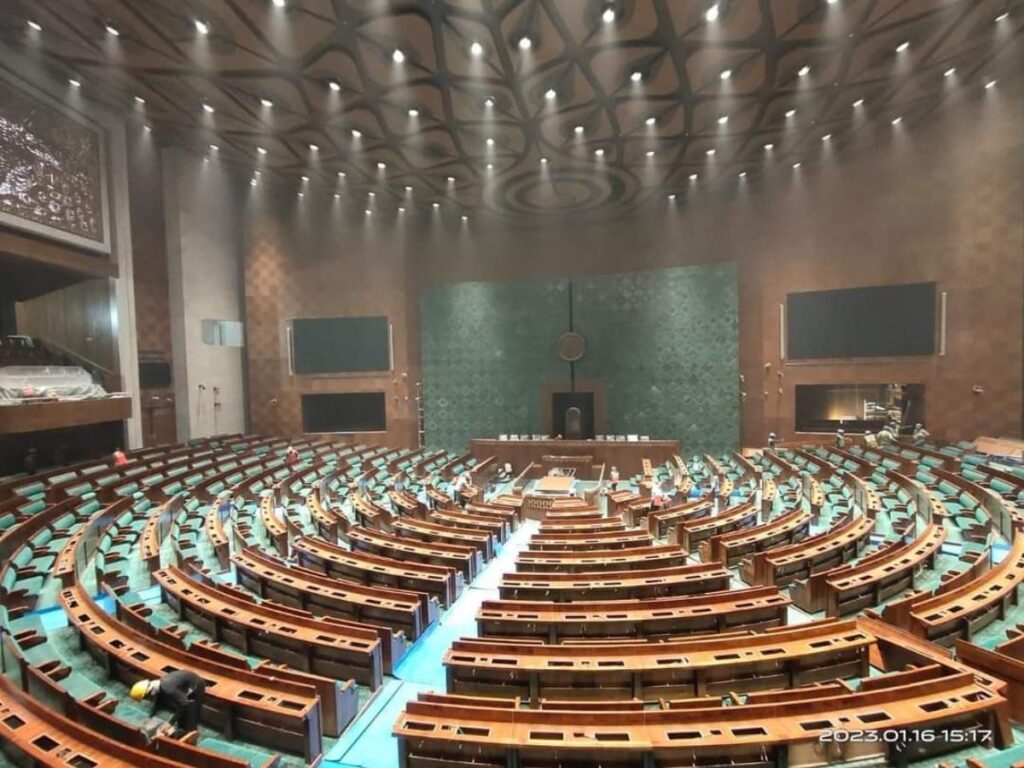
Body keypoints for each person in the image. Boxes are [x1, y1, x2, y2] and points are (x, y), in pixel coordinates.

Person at [130, 670, 206, 736]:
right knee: (181, 720)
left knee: (190, 719)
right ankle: (181, 731)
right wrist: (150, 717)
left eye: (145, 698)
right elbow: (157, 702)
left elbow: (185, 704)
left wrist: (170, 723)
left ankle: (190, 739)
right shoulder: (158, 686)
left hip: (196, 687)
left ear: (149, 692)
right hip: (185, 689)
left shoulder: (168, 688)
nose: (147, 700)